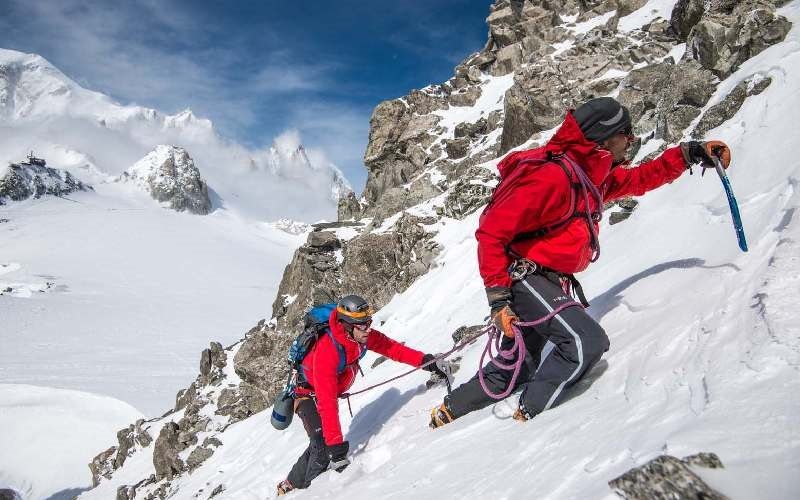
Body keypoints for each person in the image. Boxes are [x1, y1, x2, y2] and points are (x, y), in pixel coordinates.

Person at [429, 96, 731, 427]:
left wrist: (689, 153)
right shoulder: (553, 178)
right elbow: (491, 233)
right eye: (625, 132)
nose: (631, 139)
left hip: (544, 279)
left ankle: (449, 411)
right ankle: (526, 420)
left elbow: (641, 179)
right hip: (526, 279)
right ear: (603, 138)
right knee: (584, 342)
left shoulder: (588, 177)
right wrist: (498, 299)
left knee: (520, 365)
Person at [277, 294, 451, 495]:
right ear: (346, 325)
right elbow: (327, 403)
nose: (368, 328)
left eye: (369, 322)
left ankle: (290, 482)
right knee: (321, 443)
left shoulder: (360, 337)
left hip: (327, 389)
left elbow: (393, 348)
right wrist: (336, 447)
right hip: (307, 394)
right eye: (362, 325)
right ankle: (305, 490)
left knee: (320, 443)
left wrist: (427, 361)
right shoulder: (328, 351)